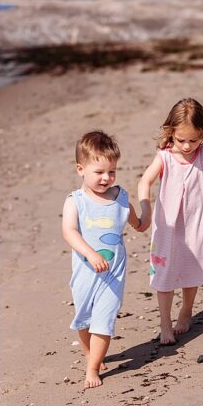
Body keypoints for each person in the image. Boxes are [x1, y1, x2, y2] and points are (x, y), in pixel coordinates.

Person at [138, 98, 203, 345]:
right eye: (181, 140)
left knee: (192, 271)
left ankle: (186, 310)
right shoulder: (165, 157)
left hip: (194, 226)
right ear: (171, 133)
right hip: (167, 227)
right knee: (165, 274)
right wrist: (145, 209)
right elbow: (144, 182)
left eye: (194, 139)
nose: (188, 145)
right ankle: (164, 322)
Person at [62, 131, 144, 388]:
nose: (106, 178)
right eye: (99, 172)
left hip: (113, 274)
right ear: (80, 169)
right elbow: (69, 232)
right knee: (84, 318)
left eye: (112, 171)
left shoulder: (119, 196)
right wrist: (90, 253)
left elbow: (131, 215)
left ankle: (93, 367)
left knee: (104, 320)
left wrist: (142, 219)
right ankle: (89, 353)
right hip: (86, 272)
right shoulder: (76, 201)